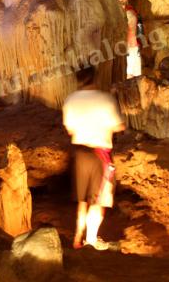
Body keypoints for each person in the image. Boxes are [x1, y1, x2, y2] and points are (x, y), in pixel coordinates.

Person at [62, 66, 125, 250]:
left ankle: (77, 238)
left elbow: (70, 129)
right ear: (94, 78)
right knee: (99, 200)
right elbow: (119, 126)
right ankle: (91, 240)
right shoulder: (105, 99)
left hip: (80, 153)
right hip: (100, 154)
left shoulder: (70, 100)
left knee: (83, 200)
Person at [116, 0, 142, 78]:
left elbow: (139, 27)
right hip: (124, 46)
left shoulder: (131, 11)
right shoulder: (125, 12)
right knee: (129, 72)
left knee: (135, 73)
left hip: (132, 45)